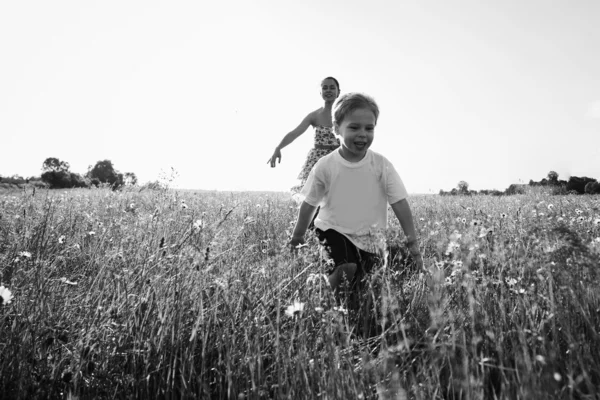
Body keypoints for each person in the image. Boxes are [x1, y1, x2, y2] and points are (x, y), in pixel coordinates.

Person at [288, 92, 423, 333]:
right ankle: (321, 314)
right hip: (333, 229)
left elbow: (400, 203)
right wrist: (298, 236)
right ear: (336, 129)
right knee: (345, 267)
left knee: (364, 290)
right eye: (354, 127)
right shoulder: (326, 165)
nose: (362, 134)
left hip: (370, 240)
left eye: (369, 128)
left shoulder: (381, 165)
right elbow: (309, 204)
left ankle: (350, 318)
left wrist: (412, 241)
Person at [267, 77, 341, 193]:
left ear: (338, 92)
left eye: (332, 88)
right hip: (318, 161)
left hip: (339, 159)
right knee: (314, 196)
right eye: (325, 88)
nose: (328, 90)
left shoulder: (345, 115)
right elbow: (294, 133)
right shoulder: (314, 115)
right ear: (320, 92)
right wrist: (278, 148)